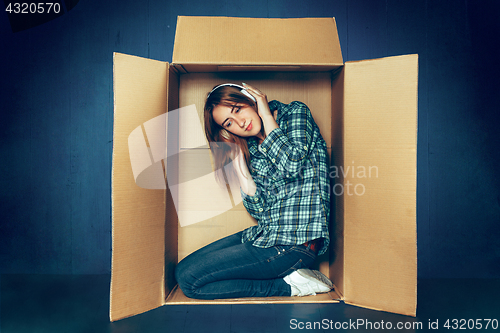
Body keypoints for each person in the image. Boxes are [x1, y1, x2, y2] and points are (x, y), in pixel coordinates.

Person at [174, 83, 332, 299]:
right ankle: (290, 276)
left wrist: (266, 114)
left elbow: (292, 163)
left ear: (251, 99)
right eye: (229, 122)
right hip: (266, 235)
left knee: (190, 282)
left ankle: (291, 287)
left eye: (237, 109)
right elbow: (259, 211)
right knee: (182, 272)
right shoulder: (252, 149)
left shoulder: (294, 113)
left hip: (295, 245)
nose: (240, 123)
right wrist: (238, 160)